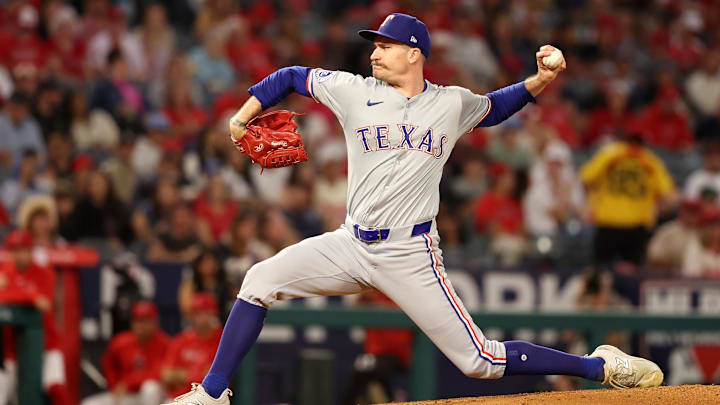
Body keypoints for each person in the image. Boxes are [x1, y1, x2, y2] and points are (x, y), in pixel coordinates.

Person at [164, 13, 663, 405]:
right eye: (374, 44)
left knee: (480, 361)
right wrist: (243, 115)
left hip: (410, 252)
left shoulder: (450, 103)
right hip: (351, 243)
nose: (375, 52)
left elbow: (494, 106)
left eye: (384, 45)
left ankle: (599, 367)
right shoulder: (354, 91)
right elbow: (292, 76)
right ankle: (211, 394)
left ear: (414, 53)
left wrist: (541, 80)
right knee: (257, 281)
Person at [580, 132, 677, 268]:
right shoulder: (649, 159)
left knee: (601, 270)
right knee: (634, 273)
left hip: (609, 220)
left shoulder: (611, 153)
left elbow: (586, 178)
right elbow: (669, 196)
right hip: (636, 224)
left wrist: (591, 201)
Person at [0, 230, 71, 405]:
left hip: (47, 342)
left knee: (56, 388)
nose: (20, 255)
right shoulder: (6, 271)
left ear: (31, 251)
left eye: (24, 249)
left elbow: (45, 303)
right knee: (7, 391)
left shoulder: (44, 272)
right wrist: (31, 297)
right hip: (14, 347)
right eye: (15, 250)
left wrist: (14, 292)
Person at [81, 301, 168, 405]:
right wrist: (114, 386)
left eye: (146, 320)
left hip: (151, 396)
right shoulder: (121, 342)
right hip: (126, 395)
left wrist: (128, 382)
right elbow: (108, 364)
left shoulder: (165, 344)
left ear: (155, 322)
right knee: (88, 403)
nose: (141, 325)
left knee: (150, 388)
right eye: (138, 320)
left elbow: (161, 374)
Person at [161, 293, 223, 399]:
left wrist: (183, 375)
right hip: (178, 398)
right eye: (196, 313)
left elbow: (219, 381)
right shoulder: (182, 339)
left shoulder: (222, 340)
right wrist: (197, 375)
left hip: (207, 400)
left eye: (205, 313)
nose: (200, 318)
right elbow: (166, 375)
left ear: (213, 314)